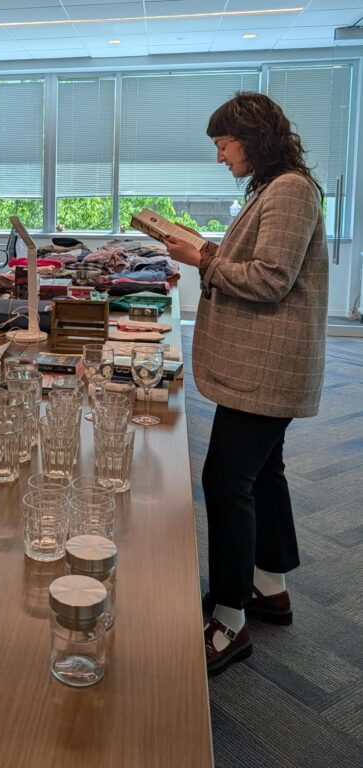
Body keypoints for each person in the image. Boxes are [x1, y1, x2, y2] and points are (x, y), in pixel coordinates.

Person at [164, 92, 328, 678]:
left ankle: (228, 621)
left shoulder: (288, 189)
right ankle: (269, 587)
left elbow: (270, 279)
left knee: (226, 479)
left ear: (252, 137)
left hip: (268, 366)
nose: (220, 157)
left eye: (223, 145)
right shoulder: (278, 187)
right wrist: (202, 250)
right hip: (270, 364)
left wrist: (201, 256)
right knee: (264, 473)